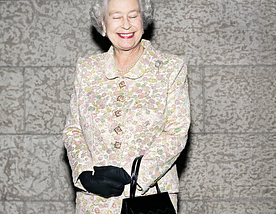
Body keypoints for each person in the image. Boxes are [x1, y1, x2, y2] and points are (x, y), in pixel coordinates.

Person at [62, 0, 191, 213]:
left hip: (149, 196)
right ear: (103, 23)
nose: (126, 24)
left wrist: (137, 175)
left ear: (143, 20)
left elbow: (176, 131)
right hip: (94, 201)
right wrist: (84, 175)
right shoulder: (87, 69)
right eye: (116, 16)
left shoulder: (170, 68)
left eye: (133, 15)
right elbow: (73, 130)